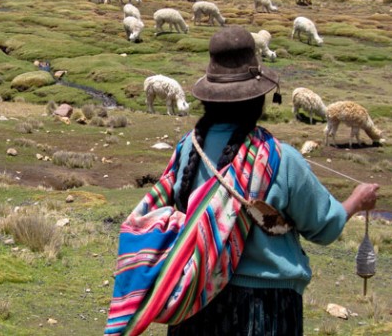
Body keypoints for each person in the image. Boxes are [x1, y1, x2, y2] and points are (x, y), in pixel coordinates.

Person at [104, 26, 379, 336]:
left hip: (195, 301)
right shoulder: (279, 158)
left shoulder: (186, 149)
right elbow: (325, 227)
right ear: (258, 96)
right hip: (265, 310)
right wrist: (356, 200)